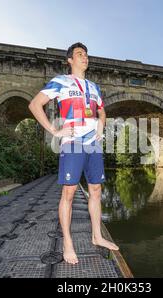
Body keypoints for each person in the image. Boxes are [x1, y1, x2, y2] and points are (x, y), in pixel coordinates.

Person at [29, 42, 119, 265]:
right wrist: (54, 130)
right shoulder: (60, 81)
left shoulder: (94, 87)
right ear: (69, 60)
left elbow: (102, 111)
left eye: (86, 54)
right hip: (72, 143)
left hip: (93, 144)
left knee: (96, 190)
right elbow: (34, 105)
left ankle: (97, 236)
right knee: (68, 193)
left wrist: (101, 124)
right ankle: (68, 243)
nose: (85, 57)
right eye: (80, 54)